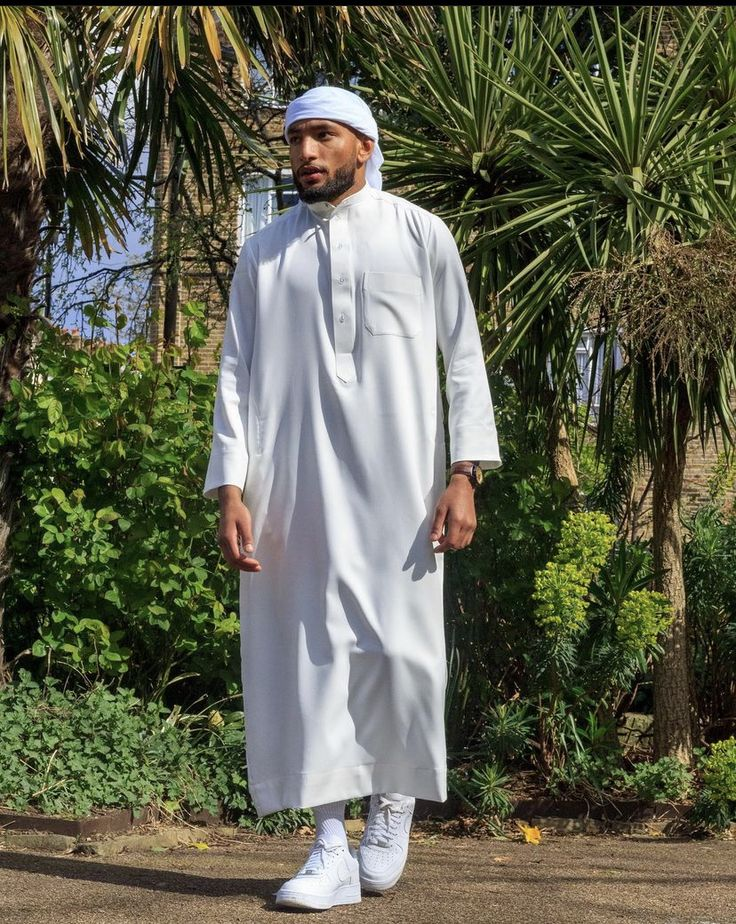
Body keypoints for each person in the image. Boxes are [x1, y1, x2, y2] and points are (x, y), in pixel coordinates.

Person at [203, 85, 502, 911]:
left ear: (364, 145)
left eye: (323, 136)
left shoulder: (420, 234)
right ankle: (329, 845)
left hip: (402, 483)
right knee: (309, 655)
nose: (305, 153)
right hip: (291, 485)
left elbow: (464, 357)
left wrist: (464, 473)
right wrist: (230, 486)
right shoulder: (265, 253)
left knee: (400, 648)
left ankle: (393, 801)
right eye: (295, 139)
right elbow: (235, 374)